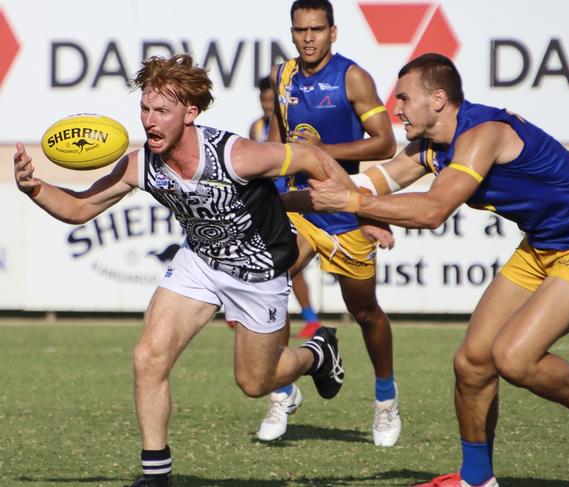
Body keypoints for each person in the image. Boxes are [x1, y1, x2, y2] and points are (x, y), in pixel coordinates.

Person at [13, 54, 347, 487]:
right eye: (145, 109)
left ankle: (316, 354)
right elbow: (78, 208)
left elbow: (310, 158)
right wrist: (34, 186)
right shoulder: (142, 165)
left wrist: (356, 206)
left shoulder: (237, 156)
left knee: (255, 382)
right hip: (201, 262)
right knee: (147, 357)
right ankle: (156, 475)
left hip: (259, 273)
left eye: (162, 111)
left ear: (190, 113)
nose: (149, 121)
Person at [310, 53, 569, 487]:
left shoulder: (483, 134)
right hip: (541, 247)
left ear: (439, 100)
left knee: (514, 358)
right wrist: (286, 191)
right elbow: (374, 182)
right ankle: (477, 479)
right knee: (472, 363)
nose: (397, 108)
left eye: (405, 98)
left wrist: (352, 204)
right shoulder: (432, 145)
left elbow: (432, 210)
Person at [256, 0, 401, 447]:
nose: (309, 38)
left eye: (317, 29)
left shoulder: (352, 77)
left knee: (365, 312)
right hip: (299, 206)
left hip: (342, 209)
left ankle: (385, 399)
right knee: (269, 281)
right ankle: (282, 390)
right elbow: (279, 140)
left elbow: (385, 143)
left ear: (333, 32)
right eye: (301, 30)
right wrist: (267, 187)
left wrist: (320, 155)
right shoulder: (282, 76)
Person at [248, 75, 323, 338]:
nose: (268, 105)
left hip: (295, 201)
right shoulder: (256, 128)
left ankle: (311, 318)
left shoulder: (294, 129)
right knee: (274, 262)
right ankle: (249, 310)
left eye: (272, 100)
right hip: (269, 202)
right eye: (264, 100)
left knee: (287, 261)